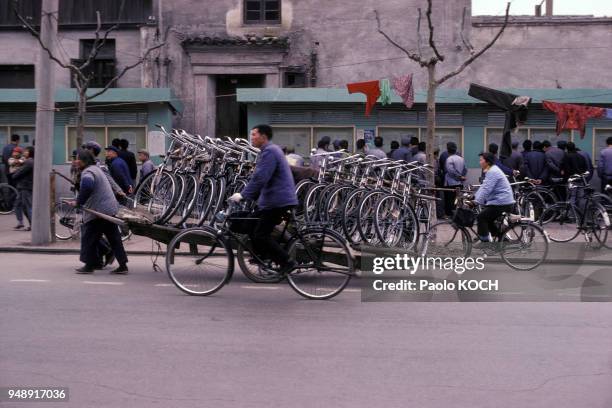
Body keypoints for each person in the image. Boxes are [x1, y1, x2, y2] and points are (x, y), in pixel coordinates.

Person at [229, 125, 298, 275]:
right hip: (273, 199)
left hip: (278, 200)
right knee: (252, 226)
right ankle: (263, 256)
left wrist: (243, 195)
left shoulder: (270, 152)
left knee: (261, 234)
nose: (251, 138)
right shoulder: (268, 151)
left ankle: (287, 262)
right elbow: (260, 179)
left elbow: (260, 178)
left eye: (254, 134)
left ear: (263, 136)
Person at [71, 150, 128, 274]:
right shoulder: (96, 169)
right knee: (114, 238)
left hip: (98, 211)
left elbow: (87, 186)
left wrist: (78, 202)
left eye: (78, 159)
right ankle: (123, 265)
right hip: (110, 208)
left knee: (89, 238)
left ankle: (89, 266)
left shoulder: (88, 172)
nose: (76, 161)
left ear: (84, 160)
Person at [473, 152, 515, 248]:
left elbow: (487, 189)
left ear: (487, 162)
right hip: (501, 202)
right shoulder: (491, 170)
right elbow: (484, 186)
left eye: (481, 160)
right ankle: (502, 239)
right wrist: (474, 197)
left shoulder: (493, 171)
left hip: (502, 202)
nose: (479, 162)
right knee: (489, 220)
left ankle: (485, 243)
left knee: (481, 217)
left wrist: (475, 202)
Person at [11, 146, 34, 231]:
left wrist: (14, 174)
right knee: (19, 204)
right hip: (23, 186)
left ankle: (33, 224)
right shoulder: (29, 161)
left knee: (27, 206)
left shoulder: (29, 162)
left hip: (26, 186)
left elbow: (20, 172)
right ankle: (21, 222)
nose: (24, 152)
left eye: (26, 151)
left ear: (30, 152)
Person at [443, 142, 467, 217]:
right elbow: (465, 169)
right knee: (457, 199)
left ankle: (451, 215)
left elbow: (450, 171)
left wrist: (458, 177)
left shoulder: (449, 159)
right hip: (460, 183)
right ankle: (457, 214)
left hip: (450, 183)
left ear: (448, 150)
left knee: (450, 200)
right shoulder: (461, 159)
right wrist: (461, 177)